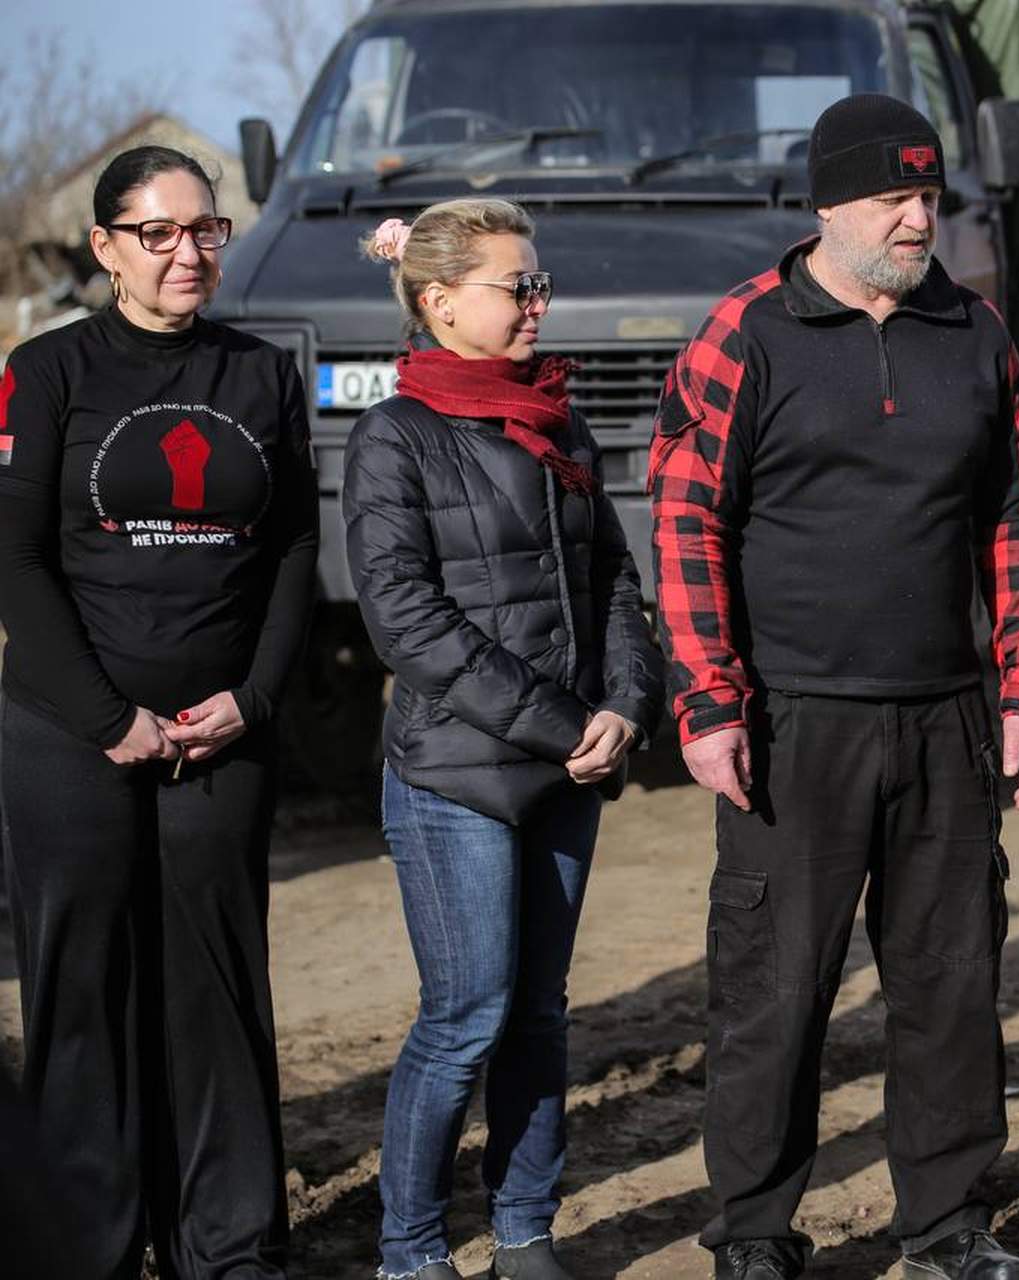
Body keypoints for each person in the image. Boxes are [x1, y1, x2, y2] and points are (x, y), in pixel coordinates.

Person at [650, 94, 1019, 1280]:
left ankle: (945, 1223)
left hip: (946, 715)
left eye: (928, 196)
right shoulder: (745, 334)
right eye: (892, 198)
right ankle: (754, 1233)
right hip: (792, 722)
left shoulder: (975, 332)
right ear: (827, 204)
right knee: (774, 994)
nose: (917, 217)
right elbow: (688, 525)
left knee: (950, 983)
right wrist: (711, 703)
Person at [0, 145, 318, 1277]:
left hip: (219, 735)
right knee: (81, 986)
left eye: (206, 230)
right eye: (159, 233)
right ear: (106, 247)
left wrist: (254, 696)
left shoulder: (264, 373)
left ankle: (227, 1240)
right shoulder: (46, 372)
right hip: (66, 733)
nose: (188, 252)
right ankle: (87, 1240)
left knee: (216, 982)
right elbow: (18, 563)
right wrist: (106, 717)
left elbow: (289, 551)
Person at [344, 198, 663, 1280]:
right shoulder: (397, 436)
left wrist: (624, 700)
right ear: (438, 301)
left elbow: (614, 578)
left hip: (569, 769)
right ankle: (410, 1249)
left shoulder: (556, 420)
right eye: (514, 286)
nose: (537, 303)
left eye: (538, 283)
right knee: (465, 1016)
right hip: (456, 780)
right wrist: (568, 720)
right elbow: (407, 622)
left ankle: (527, 1232)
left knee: (538, 1014)